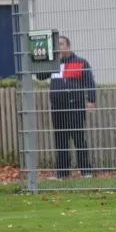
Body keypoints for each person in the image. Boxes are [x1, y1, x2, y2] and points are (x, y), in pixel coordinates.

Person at [36, 36, 97, 179]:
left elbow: (90, 82)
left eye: (62, 44)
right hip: (58, 108)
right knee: (61, 140)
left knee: (79, 139)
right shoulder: (53, 64)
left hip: (75, 106)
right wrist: (44, 60)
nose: (59, 47)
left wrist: (91, 100)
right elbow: (40, 76)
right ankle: (62, 172)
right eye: (57, 45)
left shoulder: (81, 62)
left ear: (68, 46)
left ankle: (86, 171)